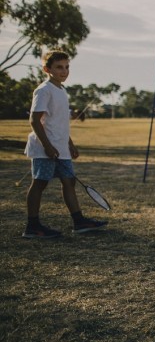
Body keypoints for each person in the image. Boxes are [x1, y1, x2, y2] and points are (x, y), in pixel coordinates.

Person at [23, 50, 108, 239]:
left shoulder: (61, 90)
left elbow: (60, 122)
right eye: (59, 67)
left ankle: (79, 222)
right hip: (45, 147)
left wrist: (70, 143)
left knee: (69, 182)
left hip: (61, 147)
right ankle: (32, 226)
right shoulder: (43, 90)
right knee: (40, 183)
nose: (64, 71)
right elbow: (35, 121)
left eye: (67, 67)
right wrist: (47, 145)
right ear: (47, 69)